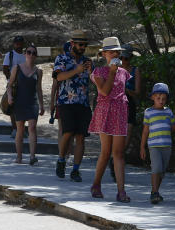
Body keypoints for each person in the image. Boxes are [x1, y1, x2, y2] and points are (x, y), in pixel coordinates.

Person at [88, 37, 131, 202]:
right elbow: (105, 92)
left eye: (117, 52)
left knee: (118, 153)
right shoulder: (98, 72)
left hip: (120, 112)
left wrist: (116, 71)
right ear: (104, 54)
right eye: (111, 51)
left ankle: (121, 191)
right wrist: (112, 72)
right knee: (106, 152)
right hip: (105, 112)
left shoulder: (124, 73)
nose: (114, 54)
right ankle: (96, 184)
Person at [52, 31, 93, 181]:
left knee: (81, 137)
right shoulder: (62, 58)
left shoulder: (88, 61)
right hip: (66, 102)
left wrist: (91, 72)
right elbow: (59, 77)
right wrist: (76, 70)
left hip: (83, 103)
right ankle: (61, 160)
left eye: (85, 45)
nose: (83, 47)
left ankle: (76, 170)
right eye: (80, 44)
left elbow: (94, 81)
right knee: (68, 133)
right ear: (73, 44)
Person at [140, 83, 175, 204]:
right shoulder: (148, 112)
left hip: (166, 146)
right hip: (154, 146)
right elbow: (145, 131)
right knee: (156, 168)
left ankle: (156, 191)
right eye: (158, 98)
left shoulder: (168, 112)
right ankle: (154, 192)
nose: (161, 101)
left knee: (162, 171)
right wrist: (142, 147)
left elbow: (172, 128)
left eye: (163, 98)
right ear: (152, 97)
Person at [6, 44, 44, 164]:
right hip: (19, 102)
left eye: (33, 53)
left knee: (32, 128)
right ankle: (19, 156)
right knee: (20, 129)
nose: (31, 55)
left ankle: (32, 157)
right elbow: (9, 85)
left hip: (32, 102)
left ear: (36, 56)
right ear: (25, 54)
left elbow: (39, 89)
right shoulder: (16, 68)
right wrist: (10, 96)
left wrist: (42, 105)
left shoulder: (38, 71)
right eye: (29, 52)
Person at [109, 44, 141, 178]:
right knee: (115, 140)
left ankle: (114, 161)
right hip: (116, 106)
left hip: (129, 105)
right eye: (121, 58)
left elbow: (138, 92)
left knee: (126, 142)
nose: (123, 61)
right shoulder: (114, 70)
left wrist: (126, 90)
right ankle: (116, 168)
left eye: (126, 58)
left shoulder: (135, 71)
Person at [3, 34, 27, 137]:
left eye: (20, 43)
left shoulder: (26, 54)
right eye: (17, 43)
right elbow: (5, 68)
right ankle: (14, 128)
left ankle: (22, 129)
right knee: (12, 106)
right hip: (13, 85)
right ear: (14, 44)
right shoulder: (10, 55)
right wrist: (10, 80)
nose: (18, 45)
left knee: (24, 107)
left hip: (25, 84)